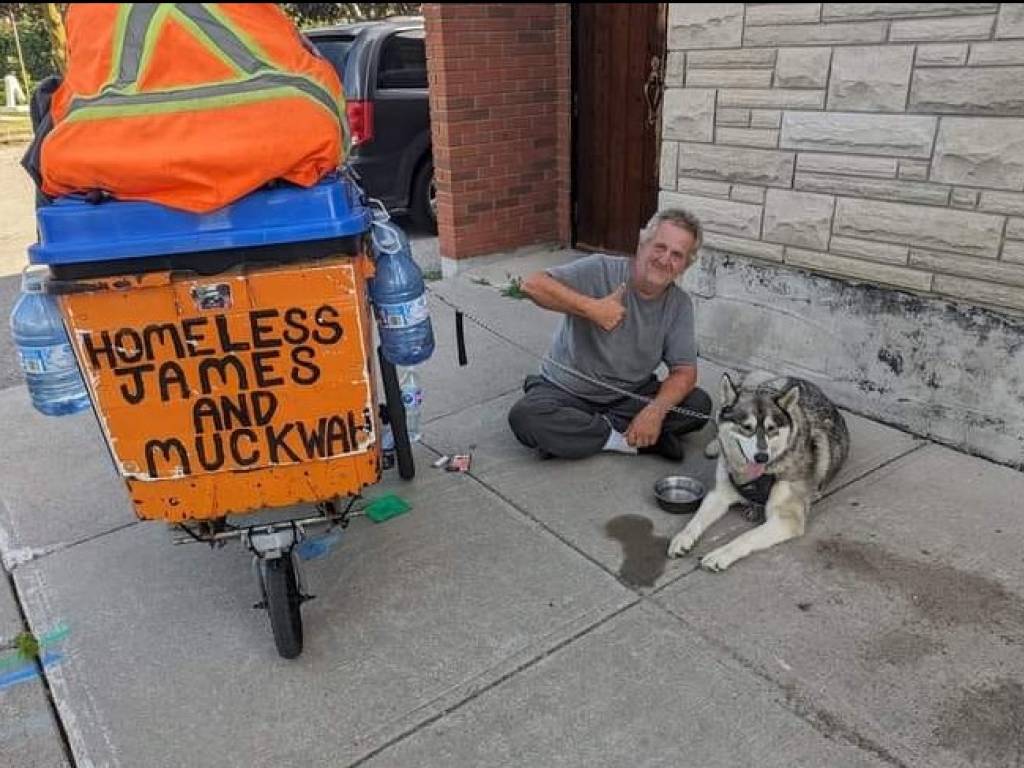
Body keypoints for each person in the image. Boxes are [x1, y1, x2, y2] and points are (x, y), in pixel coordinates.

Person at [507, 208, 712, 461]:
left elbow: (684, 371)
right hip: (567, 391)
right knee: (526, 417)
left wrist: (654, 412)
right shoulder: (600, 268)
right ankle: (627, 441)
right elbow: (532, 285)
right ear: (642, 243)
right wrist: (592, 308)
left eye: (677, 255)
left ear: (685, 265)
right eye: (660, 247)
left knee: (699, 407)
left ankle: (581, 436)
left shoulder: (679, 305)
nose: (665, 259)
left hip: (629, 396)